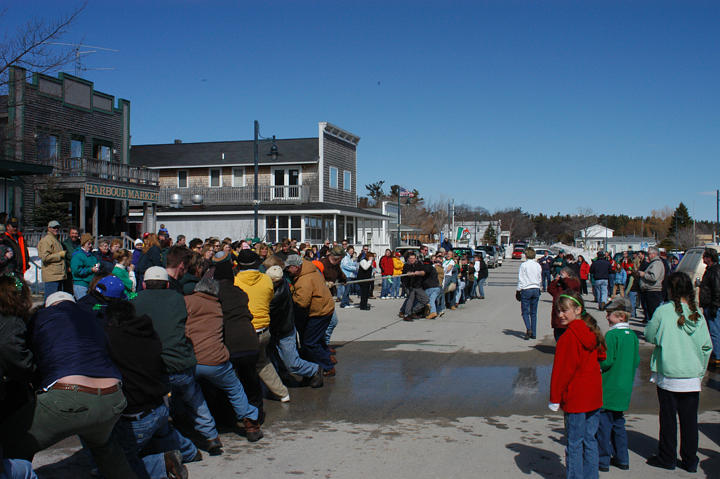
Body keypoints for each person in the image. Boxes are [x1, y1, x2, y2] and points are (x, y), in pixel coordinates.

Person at [0, 292, 136, 479]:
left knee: (11, 440)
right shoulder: (93, 319)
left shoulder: (42, 317)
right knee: (105, 448)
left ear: (50, 305)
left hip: (68, 397)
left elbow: (23, 355)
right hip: (112, 397)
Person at [132, 266, 223, 456]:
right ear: (166, 284)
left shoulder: (134, 300)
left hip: (155, 367)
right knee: (195, 399)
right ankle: (211, 436)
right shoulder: (177, 299)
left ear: (143, 284)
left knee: (160, 407)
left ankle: (174, 445)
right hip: (181, 362)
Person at [104, 300, 196, 479]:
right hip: (160, 405)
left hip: (136, 416)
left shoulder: (112, 340)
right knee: (165, 433)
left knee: (114, 465)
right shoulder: (147, 332)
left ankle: (161, 464)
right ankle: (190, 452)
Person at [644, 272, 712, 472]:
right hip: (691, 375)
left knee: (668, 419)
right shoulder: (697, 314)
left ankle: (667, 457)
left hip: (668, 373)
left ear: (670, 289)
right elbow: (706, 346)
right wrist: (700, 369)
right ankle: (690, 460)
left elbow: (649, 334)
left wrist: (663, 341)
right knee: (690, 421)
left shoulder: (663, 311)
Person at [184, 276, 263, 442]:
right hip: (216, 359)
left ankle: (208, 433)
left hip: (193, 359)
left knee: (193, 394)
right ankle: (250, 423)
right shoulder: (217, 307)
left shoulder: (186, 302)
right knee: (234, 389)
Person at [549, 292, 605, 479]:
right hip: (593, 395)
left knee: (574, 442)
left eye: (564, 311)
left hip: (576, 397)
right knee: (590, 440)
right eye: (558, 311)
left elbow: (561, 372)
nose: (561, 315)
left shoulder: (567, 338)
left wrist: (555, 398)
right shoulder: (591, 330)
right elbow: (602, 355)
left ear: (578, 310)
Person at [212, 253, 265, 423]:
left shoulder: (215, 295)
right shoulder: (240, 293)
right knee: (251, 378)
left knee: (230, 383)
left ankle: (230, 415)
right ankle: (256, 413)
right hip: (250, 340)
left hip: (230, 343)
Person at [234, 250, 289, 402]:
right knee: (263, 363)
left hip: (244, 330)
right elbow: (269, 298)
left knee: (236, 365)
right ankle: (283, 393)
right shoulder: (266, 280)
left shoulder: (235, 282)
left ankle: (239, 399)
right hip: (264, 329)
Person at [597, 297, 639, 472]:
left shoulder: (612, 335)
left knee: (604, 424)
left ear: (620, 316)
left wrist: (596, 364)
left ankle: (603, 459)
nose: (607, 317)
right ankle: (622, 458)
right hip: (624, 386)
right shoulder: (633, 336)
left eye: (610, 314)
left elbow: (607, 361)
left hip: (610, 385)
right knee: (619, 423)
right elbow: (635, 360)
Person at [266, 265, 324, 387]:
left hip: (284, 330)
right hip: (277, 330)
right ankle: (284, 375)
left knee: (292, 363)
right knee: (279, 359)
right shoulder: (280, 287)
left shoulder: (278, 293)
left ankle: (314, 369)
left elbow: (269, 307)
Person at [284, 254, 336, 376]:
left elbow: (302, 302)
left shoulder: (304, 280)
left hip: (320, 312)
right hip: (325, 308)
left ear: (296, 267)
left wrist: (291, 296)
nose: (287, 270)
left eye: (289, 268)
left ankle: (327, 365)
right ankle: (327, 357)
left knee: (310, 342)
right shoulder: (310, 269)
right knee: (318, 338)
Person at [698, 247, 720, 369]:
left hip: (712, 305)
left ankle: (717, 356)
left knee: (714, 331)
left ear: (709, 258)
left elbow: (717, 289)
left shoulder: (715, 270)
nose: (703, 259)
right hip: (708, 304)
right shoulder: (710, 270)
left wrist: (715, 305)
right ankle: (715, 354)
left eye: (704, 256)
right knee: (712, 330)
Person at [548, 267, 581, 341]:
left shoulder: (573, 282)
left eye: (562, 274)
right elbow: (550, 290)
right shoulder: (559, 284)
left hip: (569, 314)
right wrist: (555, 281)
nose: (560, 276)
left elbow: (572, 286)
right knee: (558, 335)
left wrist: (564, 279)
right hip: (558, 314)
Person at [517, 247, 542, 340]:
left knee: (525, 312)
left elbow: (521, 279)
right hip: (536, 288)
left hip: (526, 289)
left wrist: (518, 290)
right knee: (534, 312)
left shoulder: (524, 265)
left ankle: (528, 328)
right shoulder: (538, 265)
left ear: (526, 255)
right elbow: (540, 278)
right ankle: (534, 332)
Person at [37, 220, 67, 298]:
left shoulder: (55, 239)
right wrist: (59, 255)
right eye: (54, 227)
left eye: (57, 227)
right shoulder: (47, 240)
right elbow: (45, 257)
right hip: (52, 277)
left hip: (58, 275)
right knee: (50, 300)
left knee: (57, 300)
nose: (56, 229)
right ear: (49, 228)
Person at [638, 246, 665, 321]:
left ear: (654, 254)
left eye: (649, 254)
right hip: (649, 290)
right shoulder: (653, 263)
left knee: (653, 314)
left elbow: (654, 277)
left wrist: (644, 274)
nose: (648, 256)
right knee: (650, 313)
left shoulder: (656, 264)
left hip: (653, 291)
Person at [70, 233, 100, 299]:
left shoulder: (91, 255)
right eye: (88, 244)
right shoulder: (77, 255)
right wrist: (91, 269)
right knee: (83, 305)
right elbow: (76, 271)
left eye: (92, 243)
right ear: (83, 244)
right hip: (81, 285)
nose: (90, 245)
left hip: (91, 284)